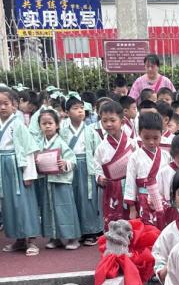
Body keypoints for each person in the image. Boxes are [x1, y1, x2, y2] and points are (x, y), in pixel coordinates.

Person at [0, 88, 41, 256]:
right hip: (3, 168)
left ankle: (31, 240)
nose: (2, 107)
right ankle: (18, 239)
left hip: (18, 168)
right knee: (9, 205)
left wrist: (28, 174)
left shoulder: (19, 125)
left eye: (5, 104)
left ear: (14, 105)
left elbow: (29, 150)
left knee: (24, 204)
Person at [36, 109, 82, 250]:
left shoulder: (61, 142)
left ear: (57, 125)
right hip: (46, 181)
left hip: (60, 181)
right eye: (44, 123)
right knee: (48, 209)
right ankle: (54, 238)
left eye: (50, 123)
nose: (47, 126)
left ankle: (73, 238)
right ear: (39, 126)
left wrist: (65, 163)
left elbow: (72, 158)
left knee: (65, 209)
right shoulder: (38, 143)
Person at [61, 96, 103, 245]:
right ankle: (76, 230)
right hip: (70, 167)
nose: (80, 111)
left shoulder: (91, 131)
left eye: (81, 108)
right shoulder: (63, 131)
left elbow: (98, 152)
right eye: (75, 108)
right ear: (67, 112)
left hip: (87, 166)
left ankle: (91, 231)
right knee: (73, 198)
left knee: (88, 199)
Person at [94, 100, 136, 229]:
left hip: (130, 187)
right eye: (104, 121)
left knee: (132, 221)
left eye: (112, 120)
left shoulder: (132, 143)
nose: (108, 124)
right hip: (111, 189)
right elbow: (97, 167)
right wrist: (100, 178)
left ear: (122, 121)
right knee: (114, 222)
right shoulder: (101, 147)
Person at [124, 111, 170, 230]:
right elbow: (130, 182)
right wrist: (132, 207)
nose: (151, 142)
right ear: (139, 134)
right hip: (143, 199)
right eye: (146, 137)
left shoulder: (166, 156)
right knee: (146, 231)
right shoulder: (135, 157)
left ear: (162, 134)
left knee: (162, 229)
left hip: (161, 199)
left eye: (155, 138)